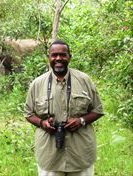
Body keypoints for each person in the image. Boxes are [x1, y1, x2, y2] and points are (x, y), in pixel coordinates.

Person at [23, 40, 104, 176]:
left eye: (63, 55)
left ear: (69, 57)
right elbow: (28, 113)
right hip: (49, 155)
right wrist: (43, 123)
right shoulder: (37, 84)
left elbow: (98, 110)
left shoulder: (84, 80)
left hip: (80, 153)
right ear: (48, 57)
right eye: (54, 55)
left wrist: (81, 121)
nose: (58, 58)